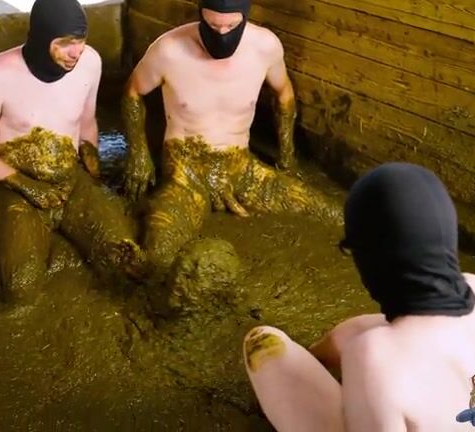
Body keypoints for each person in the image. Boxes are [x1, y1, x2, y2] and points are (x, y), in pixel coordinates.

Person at [242, 162, 475, 431]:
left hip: (383, 372)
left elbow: (384, 356)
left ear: (371, 258)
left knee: (264, 343)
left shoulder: (374, 355)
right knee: (358, 332)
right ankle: (317, 356)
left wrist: (364, 380)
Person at [121, 0, 336, 284]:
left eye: (232, 26)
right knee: (158, 251)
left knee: (330, 213)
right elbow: (133, 93)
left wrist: (288, 158)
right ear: (200, 14)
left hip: (242, 168)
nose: (222, 34)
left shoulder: (265, 47)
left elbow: (284, 95)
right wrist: (138, 154)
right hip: (186, 174)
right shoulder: (169, 50)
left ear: (245, 17)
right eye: (212, 25)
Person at [0, 0, 144, 300]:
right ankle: (39, 237)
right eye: (66, 43)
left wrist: (91, 161)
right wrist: (26, 185)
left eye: (81, 40)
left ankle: (53, 235)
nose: (77, 51)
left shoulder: (90, 62)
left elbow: (86, 121)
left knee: (124, 258)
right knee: (20, 287)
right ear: (41, 38)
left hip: (68, 178)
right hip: (15, 184)